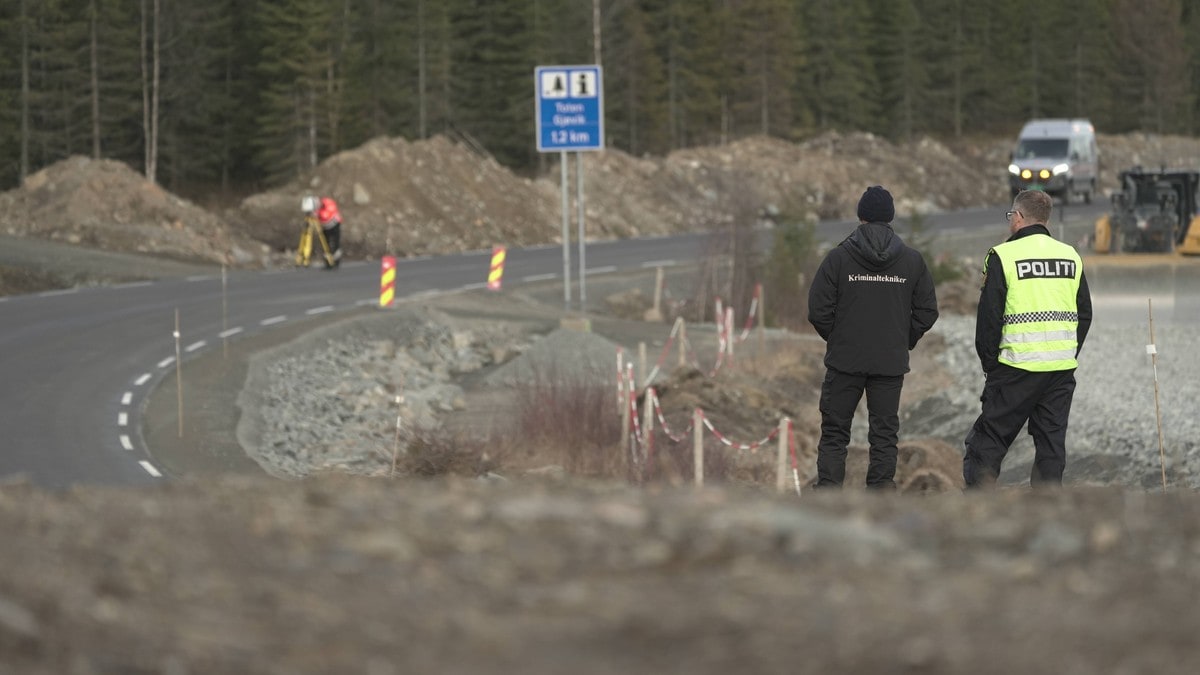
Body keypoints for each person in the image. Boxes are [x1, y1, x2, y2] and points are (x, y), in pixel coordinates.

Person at [807, 185, 939, 489]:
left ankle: (828, 497)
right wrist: (902, 338)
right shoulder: (911, 261)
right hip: (889, 363)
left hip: (845, 361)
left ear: (861, 216)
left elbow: (818, 309)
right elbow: (927, 311)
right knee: (884, 435)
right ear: (891, 217)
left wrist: (839, 337)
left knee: (835, 432)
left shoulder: (838, 258)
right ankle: (880, 497)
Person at [963, 189, 1092, 488]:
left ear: (1019, 217)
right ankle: (1046, 513)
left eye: (1011, 216)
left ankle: (976, 512)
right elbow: (1084, 313)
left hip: (1014, 367)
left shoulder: (1003, 256)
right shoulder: (1070, 255)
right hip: (1059, 370)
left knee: (987, 443)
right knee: (1051, 448)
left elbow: (989, 319)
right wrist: (1066, 352)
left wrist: (991, 366)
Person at [304, 194, 343, 263]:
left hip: (334, 225)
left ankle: (336, 259)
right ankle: (327, 258)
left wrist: (317, 214)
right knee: (326, 242)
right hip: (325, 227)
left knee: (335, 242)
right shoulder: (317, 210)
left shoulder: (328, 203)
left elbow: (327, 215)